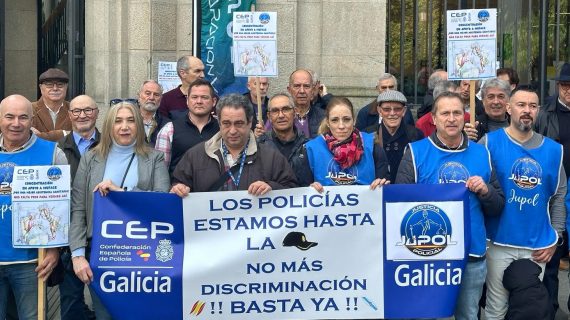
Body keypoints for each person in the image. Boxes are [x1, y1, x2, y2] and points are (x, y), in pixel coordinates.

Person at [396, 91, 504, 320]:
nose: (452, 118)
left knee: (468, 315)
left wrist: (485, 191)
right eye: (445, 113)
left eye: (457, 113)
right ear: (433, 118)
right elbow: (400, 208)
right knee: (429, 315)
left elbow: (498, 206)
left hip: (471, 254)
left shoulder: (481, 153)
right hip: (428, 256)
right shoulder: (415, 153)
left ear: (464, 117)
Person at [69, 101, 170, 320]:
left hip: (143, 254)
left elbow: (162, 203)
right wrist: (77, 255)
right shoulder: (90, 158)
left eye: (130, 120)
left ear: (139, 125)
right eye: (118, 121)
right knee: (105, 315)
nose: (124, 126)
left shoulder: (154, 159)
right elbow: (78, 209)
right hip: (100, 253)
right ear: (109, 126)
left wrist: (122, 192)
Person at [482, 88, 566, 320]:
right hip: (497, 240)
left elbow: (559, 196)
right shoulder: (489, 143)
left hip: (536, 245)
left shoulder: (554, 150)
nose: (527, 110)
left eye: (532, 106)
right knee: (496, 307)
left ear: (538, 110)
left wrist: (556, 237)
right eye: (521, 105)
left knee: (529, 307)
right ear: (509, 108)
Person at [0, 95, 66, 319]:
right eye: (9, 116)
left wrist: (55, 248)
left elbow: (63, 206)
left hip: (31, 262)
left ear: (32, 120)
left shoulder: (53, 154)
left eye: (23, 117)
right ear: (0, 119)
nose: (16, 123)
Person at [170, 94, 297, 196]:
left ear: (249, 123)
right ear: (218, 122)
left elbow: (293, 191)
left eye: (239, 123)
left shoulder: (271, 157)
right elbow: (178, 185)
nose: (232, 131)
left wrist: (272, 187)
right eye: (226, 123)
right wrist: (178, 189)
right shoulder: (195, 155)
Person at [57, 95, 100, 320]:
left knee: (105, 301)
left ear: (97, 113)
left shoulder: (110, 145)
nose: (82, 115)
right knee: (71, 302)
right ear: (69, 115)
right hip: (68, 236)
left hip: (101, 233)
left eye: (88, 110)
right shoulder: (57, 150)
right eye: (76, 111)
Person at [533, 62, 570, 318]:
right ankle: (550, 310)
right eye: (565, 86)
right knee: (553, 254)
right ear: (558, 87)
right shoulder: (544, 114)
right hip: (555, 190)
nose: (569, 91)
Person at [304, 97, 390, 191]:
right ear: (328, 122)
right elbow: (300, 192)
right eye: (335, 120)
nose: (341, 126)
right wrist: (309, 189)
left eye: (346, 119)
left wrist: (382, 184)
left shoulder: (372, 147)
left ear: (354, 120)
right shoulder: (311, 149)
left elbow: (385, 189)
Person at [155, 79, 220, 175]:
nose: (199, 101)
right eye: (194, 97)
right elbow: (160, 172)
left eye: (204, 97)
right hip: (179, 188)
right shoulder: (169, 130)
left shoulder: (222, 129)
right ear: (187, 101)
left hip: (217, 189)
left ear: (213, 101)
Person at [364, 90, 423, 182]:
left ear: (404, 111)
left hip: (407, 190)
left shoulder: (416, 135)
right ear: (379, 111)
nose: (392, 113)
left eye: (397, 109)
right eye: (386, 109)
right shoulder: (368, 134)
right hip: (378, 190)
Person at [257, 92, 310, 186]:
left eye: (285, 109)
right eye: (275, 111)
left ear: (294, 112)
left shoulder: (309, 146)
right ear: (269, 116)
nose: (281, 115)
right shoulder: (259, 146)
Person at [32, 68, 72, 142]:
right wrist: (64, 133)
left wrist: (42, 135)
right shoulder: (30, 109)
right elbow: (29, 136)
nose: (55, 88)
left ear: (66, 87)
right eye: (49, 85)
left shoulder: (74, 109)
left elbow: (81, 134)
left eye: (60, 85)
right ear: (41, 88)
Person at [286, 69, 326, 138]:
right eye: (297, 86)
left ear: (313, 90)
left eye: (306, 86)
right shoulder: (280, 117)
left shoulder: (324, 117)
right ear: (289, 90)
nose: (302, 91)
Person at [137, 80, 168, 147]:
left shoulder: (167, 124)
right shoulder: (129, 120)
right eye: (148, 93)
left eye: (156, 95)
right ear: (139, 96)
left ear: (161, 99)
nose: (151, 98)